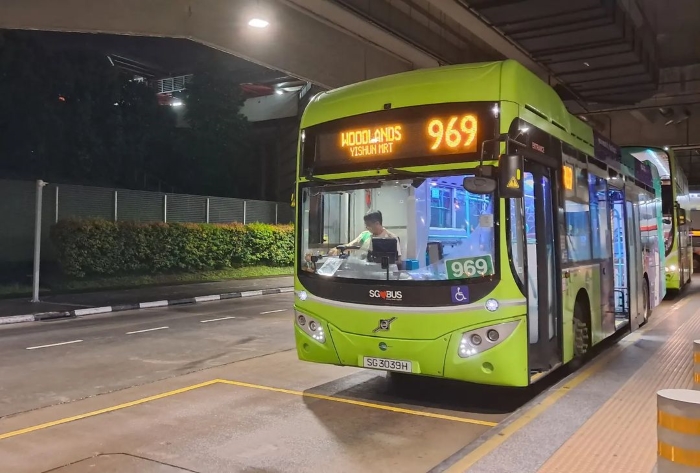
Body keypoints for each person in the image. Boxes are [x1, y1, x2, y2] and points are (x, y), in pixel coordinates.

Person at [331, 210, 402, 259]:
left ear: (377, 223)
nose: (366, 227)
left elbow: (398, 260)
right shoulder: (365, 235)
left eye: (368, 225)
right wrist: (337, 250)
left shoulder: (391, 238)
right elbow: (351, 246)